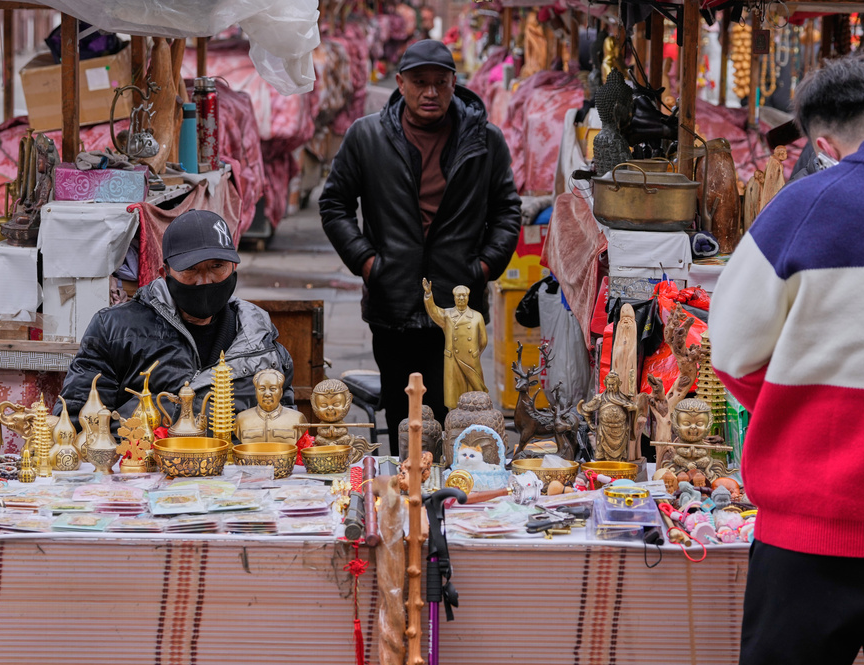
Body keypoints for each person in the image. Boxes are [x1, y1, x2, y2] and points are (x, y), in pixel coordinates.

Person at [708, 54, 864, 665]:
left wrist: (800, 400)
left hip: (812, 537)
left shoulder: (801, 206)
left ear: (824, 146)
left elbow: (730, 351)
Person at [320, 39, 521, 453]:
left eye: (439, 83)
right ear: (401, 83)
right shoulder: (367, 136)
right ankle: (407, 505)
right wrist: (368, 262)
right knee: (403, 417)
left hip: (458, 309)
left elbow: (507, 211)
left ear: (453, 84)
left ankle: (454, 503)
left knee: (460, 419)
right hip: (393, 302)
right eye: (419, 82)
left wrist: (481, 268)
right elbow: (334, 204)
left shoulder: (484, 140)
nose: (430, 92)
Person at [60, 209, 294, 426]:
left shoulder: (259, 339)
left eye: (217, 266)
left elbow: (284, 421)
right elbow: (77, 419)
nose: (205, 281)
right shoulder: (114, 329)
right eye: (190, 269)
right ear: (165, 273)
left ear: (233, 268)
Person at [422, 280, 487, 408]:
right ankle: (453, 419)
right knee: (454, 396)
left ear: (468, 297)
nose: (461, 298)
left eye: (464, 295)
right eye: (459, 296)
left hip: (471, 360)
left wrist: (475, 353)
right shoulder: (447, 315)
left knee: (475, 394)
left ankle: (475, 420)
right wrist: (428, 295)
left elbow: (483, 340)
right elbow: (434, 311)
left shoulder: (477, 316)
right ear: (454, 298)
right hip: (453, 359)